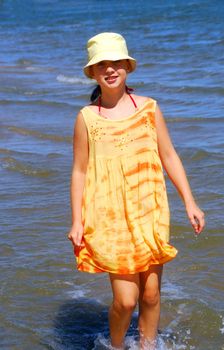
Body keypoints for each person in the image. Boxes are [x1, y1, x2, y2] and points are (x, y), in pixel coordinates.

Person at [68, 32, 205, 349]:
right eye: (102, 64)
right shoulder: (87, 118)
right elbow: (79, 171)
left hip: (149, 209)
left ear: (127, 66)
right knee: (126, 300)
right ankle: (116, 346)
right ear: (93, 72)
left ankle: (147, 345)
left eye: (116, 62)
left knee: (151, 292)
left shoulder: (149, 109)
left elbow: (169, 155)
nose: (110, 69)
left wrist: (190, 202)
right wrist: (77, 220)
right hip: (109, 216)